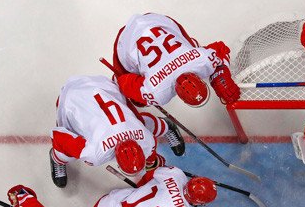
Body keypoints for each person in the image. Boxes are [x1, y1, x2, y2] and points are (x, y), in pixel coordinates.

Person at [49, 75, 184, 188]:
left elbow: (149, 151)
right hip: (74, 97)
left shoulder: (147, 141)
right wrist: (60, 149)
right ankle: (57, 160)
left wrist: (153, 162)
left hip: (105, 87)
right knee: (67, 153)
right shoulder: (94, 154)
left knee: (139, 124)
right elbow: (58, 136)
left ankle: (167, 125)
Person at [112, 13, 240, 108]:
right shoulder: (157, 93)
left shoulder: (202, 60)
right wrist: (220, 75)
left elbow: (220, 48)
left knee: (192, 47)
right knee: (137, 101)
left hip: (158, 21)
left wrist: (219, 73)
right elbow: (123, 81)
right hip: (127, 38)